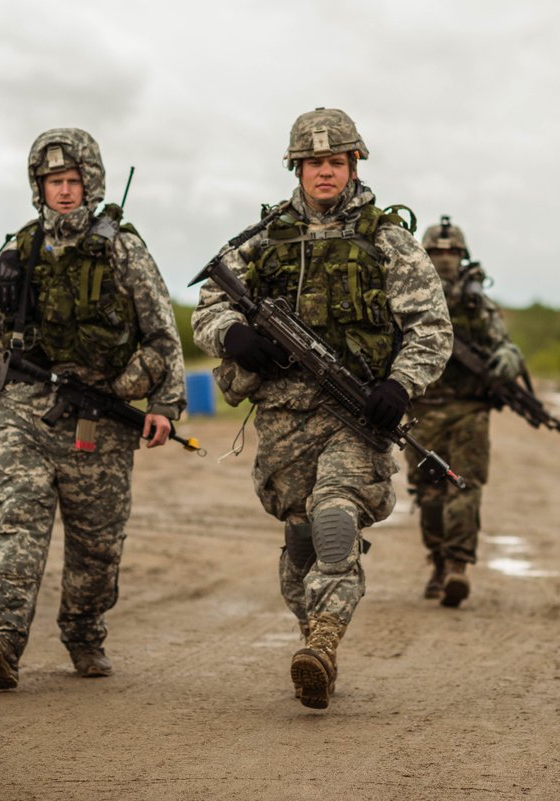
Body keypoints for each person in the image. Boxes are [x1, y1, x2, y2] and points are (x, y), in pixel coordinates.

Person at [191, 108, 452, 709]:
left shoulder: (387, 239)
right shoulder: (260, 241)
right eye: (314, 163)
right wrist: (234, 337)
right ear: (297, 168)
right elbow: (208, 306)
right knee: (301, 540)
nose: (325, 173)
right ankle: (313, 633)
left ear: (353, 164)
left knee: (336, 517)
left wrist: (401, 385)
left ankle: (325, 643)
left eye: (336, 162)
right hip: (284, 417)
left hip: (354, 414)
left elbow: (431, 327)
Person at [0, 128, 185, 690]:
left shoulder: (123, 248)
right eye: (52, 182)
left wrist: (163, 403)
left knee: (97, 545)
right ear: (38, 187)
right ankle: (1, 637)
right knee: (17, 526)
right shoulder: (17, 252)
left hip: (102, 419)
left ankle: (84, 634)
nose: (63, 191)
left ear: (92, 182)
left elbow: (162, 335)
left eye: (72, 180)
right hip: (26, 412)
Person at [405, 216, 523, 607]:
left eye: (452, 252)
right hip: (423, 409)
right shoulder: (405, 296)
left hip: (470, 409)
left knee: (465, 486)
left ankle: (458, 565)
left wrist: (507, 357)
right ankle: (438, 561)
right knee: (429, 493)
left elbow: (503, 343)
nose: (444, 259)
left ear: (463, 255)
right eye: (437, 252)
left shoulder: (476, 302)